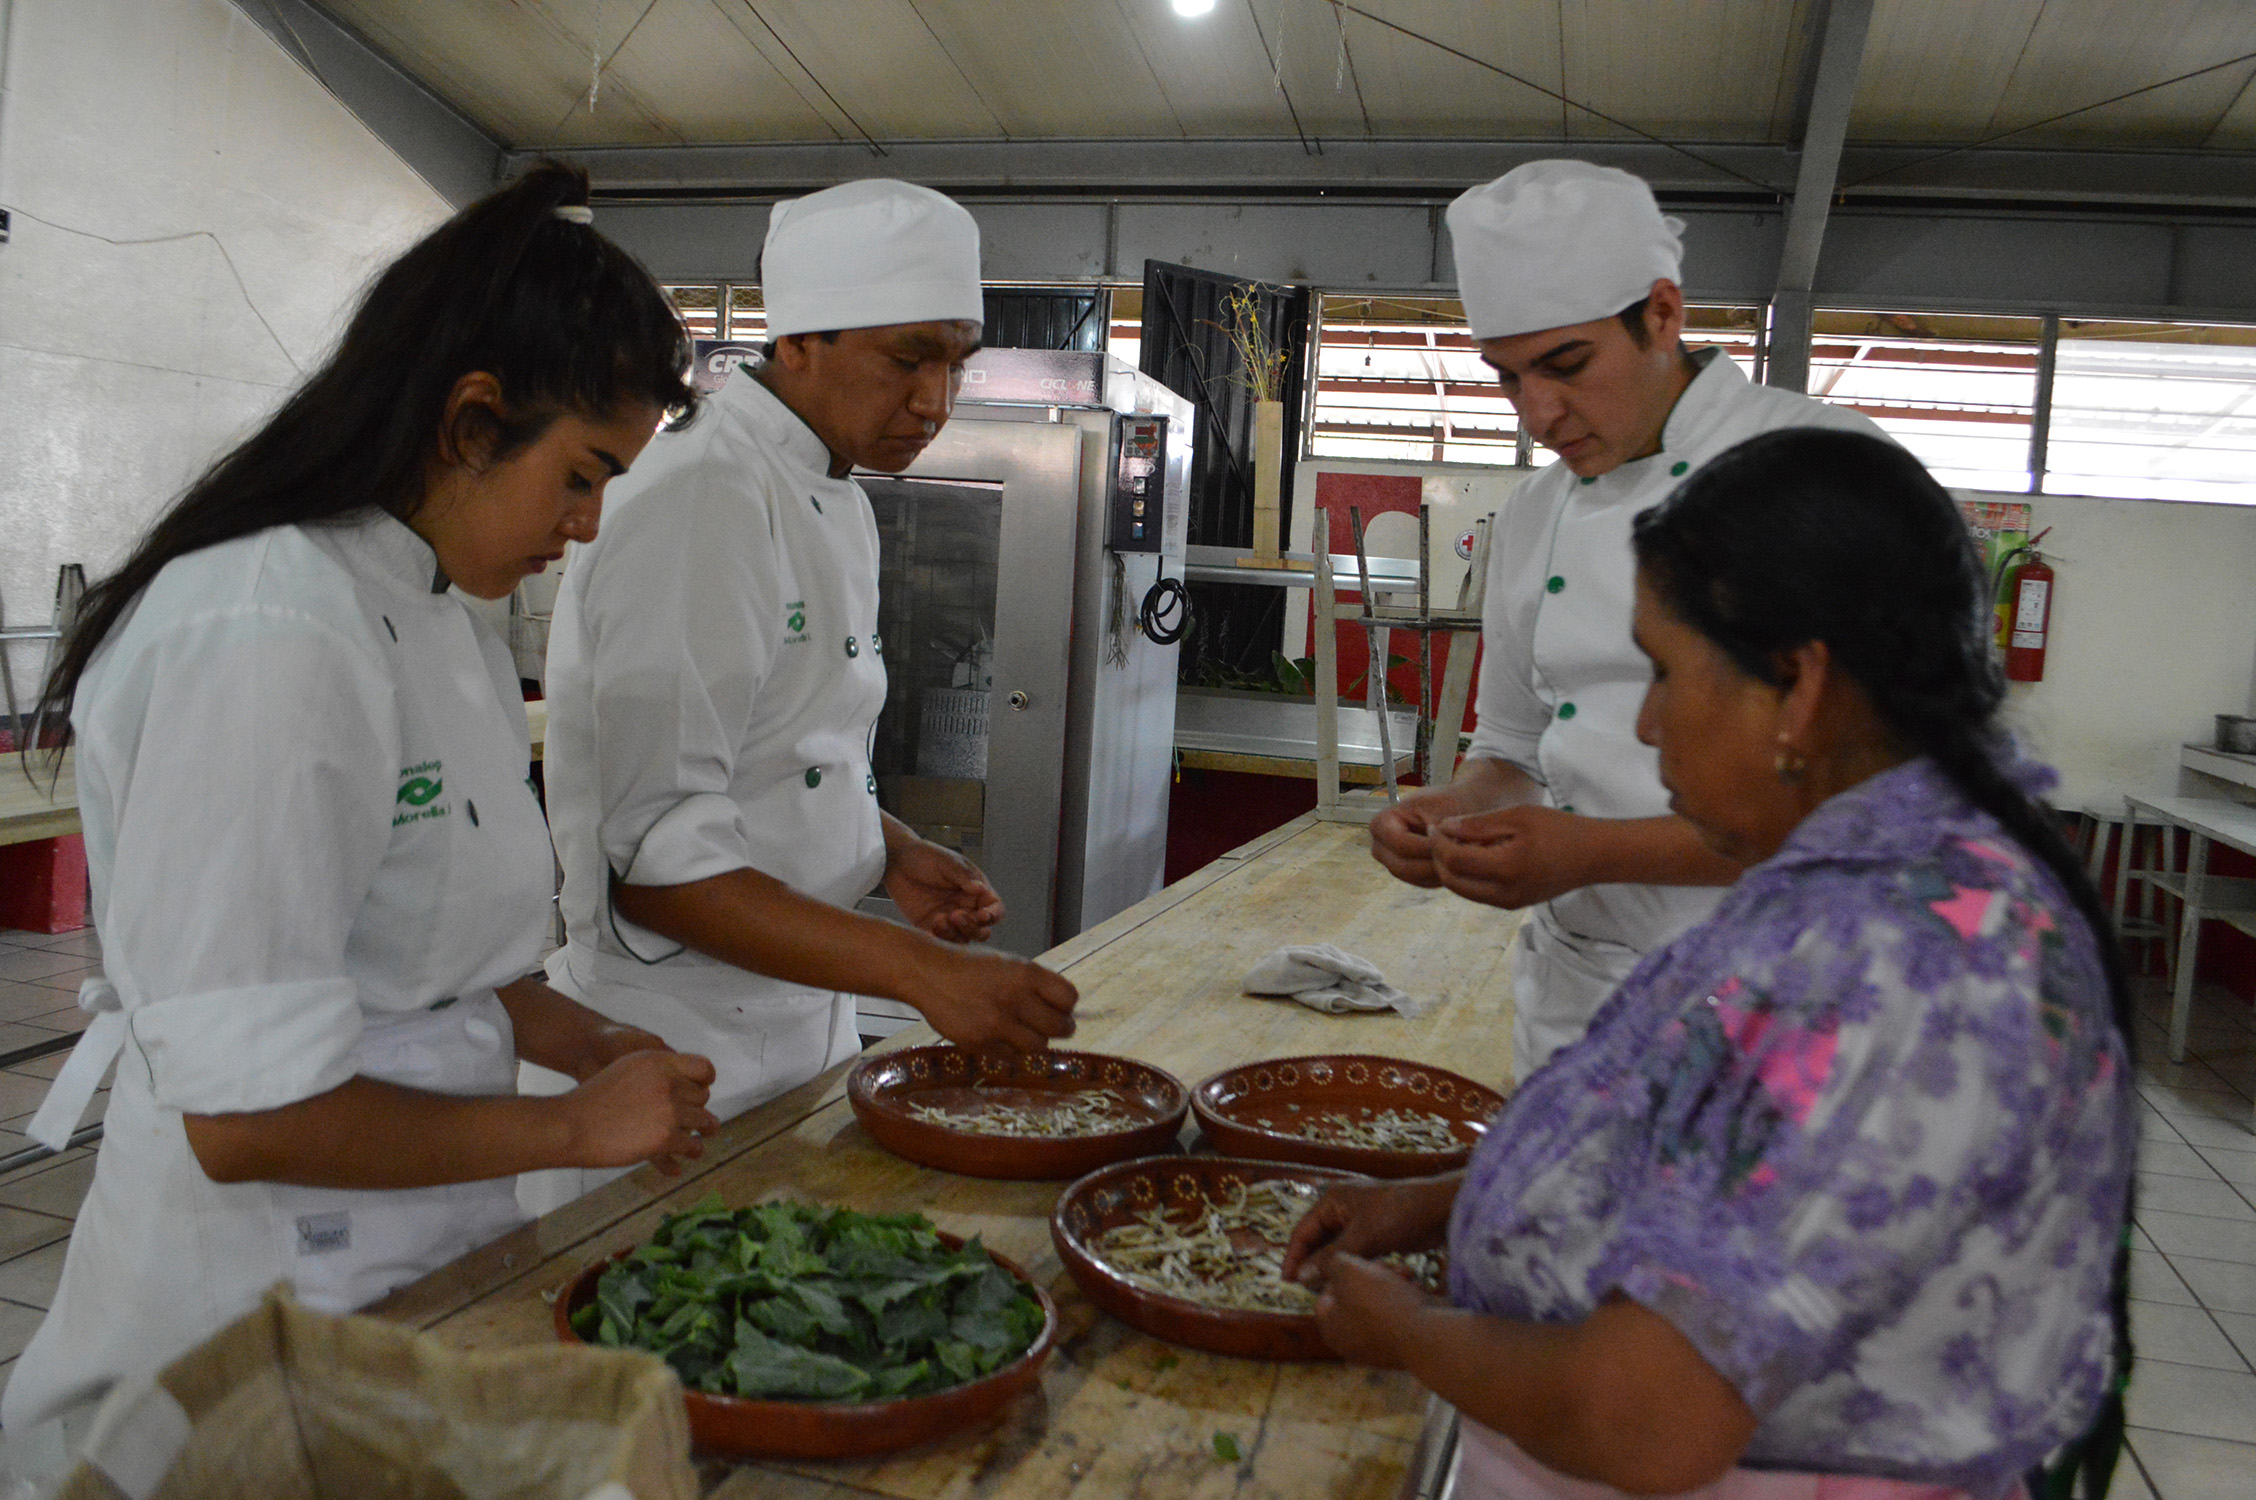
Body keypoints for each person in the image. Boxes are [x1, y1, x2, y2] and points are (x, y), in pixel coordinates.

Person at [0, 164, 722, 1450]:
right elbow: (243, 1118)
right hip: (252, 1333)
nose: (592, 525)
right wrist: (567, 1125)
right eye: (579, 475)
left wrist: (589, 1046)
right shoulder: (269, 626)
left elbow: (432, 955)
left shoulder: (442, 609)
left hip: (410, 1279)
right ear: (469, 420)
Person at [1287, 429, 2135, 1500]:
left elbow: (1647, 1418)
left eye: (1664, 670)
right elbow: (1721, 1152)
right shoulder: (1864, 872)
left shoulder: (1901, 962)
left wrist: (1410, 1330)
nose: (1644, 724)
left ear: (1799, 688)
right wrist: (1433, 1205)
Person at [526, 179, 1077, 1209]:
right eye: (908, 358)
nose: (936, 402)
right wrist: (920, 972)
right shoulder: (704, 497)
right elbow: (658, 866)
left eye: (957, 361)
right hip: (674, 1051)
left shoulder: (833, 487)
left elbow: (784, 748)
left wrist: (891, 848)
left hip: (803, 1022)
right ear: (800, 344)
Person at [1370, 160, 1888, 1078]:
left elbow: (1867, 805)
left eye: (1567, 365)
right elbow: (1515, 749)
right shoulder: (1535, 512)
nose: (1539, 413)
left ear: (1662, 312)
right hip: (1580, 997)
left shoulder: (1828, 470)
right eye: (1508, 378)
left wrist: (1591, 852)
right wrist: (1446, 814)